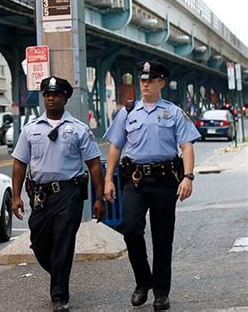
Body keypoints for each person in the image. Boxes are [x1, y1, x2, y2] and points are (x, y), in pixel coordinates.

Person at [104, 60, 201, 310]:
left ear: (161, 83)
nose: (145, 84)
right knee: (131, 230)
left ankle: (160, 292)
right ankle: (142, 281)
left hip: (165, 182)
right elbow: (115, 146)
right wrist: (108, 179)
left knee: (162, 237)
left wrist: (187, 177)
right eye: (142, 80)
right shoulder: (127, 112)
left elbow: (187, 145)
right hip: (135, 182)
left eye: (150, 80)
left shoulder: (174, 112)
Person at [11, 76, 105, 311]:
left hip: (68, 193)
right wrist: (16, 196)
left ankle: (59, 296)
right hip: (41, 196)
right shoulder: (30, 130)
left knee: (63, 242)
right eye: (47, 95)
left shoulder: (79, 130)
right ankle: (59, 272)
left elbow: (94, 164)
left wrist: (99, 198)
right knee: (39, 242)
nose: (50, 98)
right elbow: (19, 164)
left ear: (65, 98)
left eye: (55, 95)